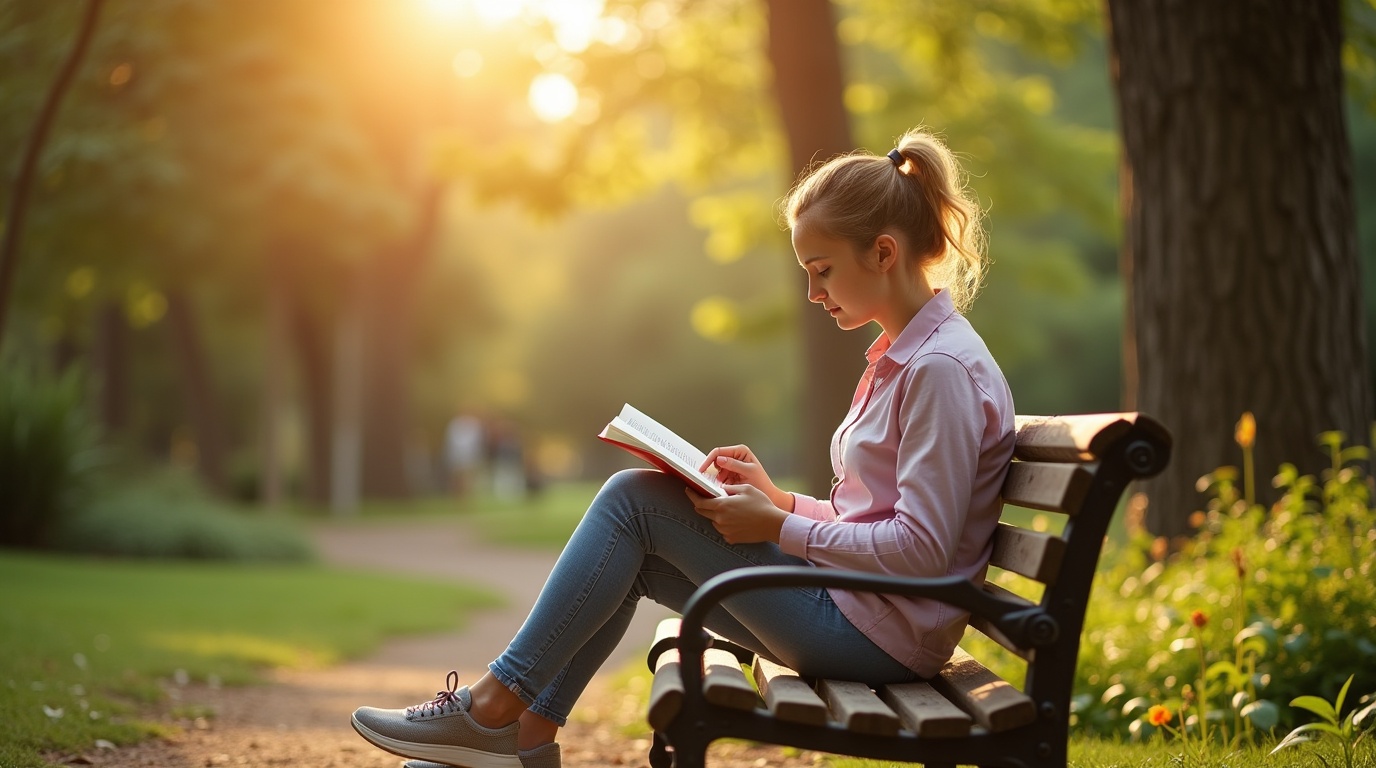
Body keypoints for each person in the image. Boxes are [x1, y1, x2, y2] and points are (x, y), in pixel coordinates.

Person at [350, 127, 1016, 768]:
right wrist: (779, 501)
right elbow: (875, 518)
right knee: (634, 550)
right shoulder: (906, 358)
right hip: (861, 614)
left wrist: (779, 527)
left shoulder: (938, 370)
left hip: (880, 640)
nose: (812, 293)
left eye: (821, 270)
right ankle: (523, 742)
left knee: (634, 502)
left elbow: (921, 550)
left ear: (883, 253)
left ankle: (492, 706)